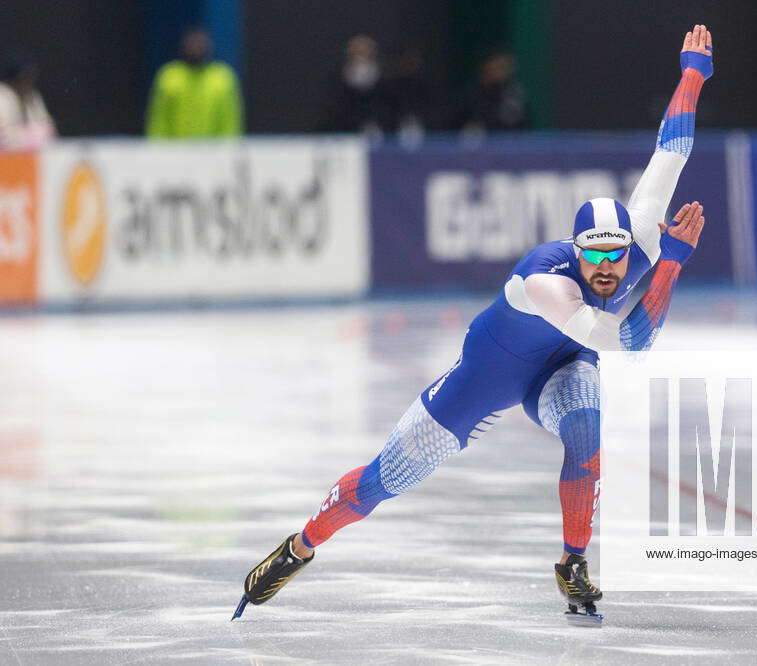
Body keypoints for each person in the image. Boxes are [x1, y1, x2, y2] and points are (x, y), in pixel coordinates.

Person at [233, 24, 714, 621]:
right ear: (576, 249)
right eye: (594, 255)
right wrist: (672, 265)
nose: (609, 268)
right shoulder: (547, 283)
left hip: (563, 364)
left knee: (586, 437)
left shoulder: (641, 233)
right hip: (488, 374)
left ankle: (572, 563)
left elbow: (672, 148)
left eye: (617, 255)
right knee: (386, 479)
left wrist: (692, 74)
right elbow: (631, 342)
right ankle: (300, 546)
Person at [145, 27, 244, 138]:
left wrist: (229, 146)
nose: (196, 48)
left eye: (200, 44)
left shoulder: (222, 77)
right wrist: (157, 146)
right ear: (184, 46)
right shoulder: (170, 76)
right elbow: (159, 119)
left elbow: (230, 119)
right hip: (175, 147)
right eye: (192, 44)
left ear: (209, 46)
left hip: (214, 147)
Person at [319, 35, 392, 136]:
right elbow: (334, 104)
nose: (361, 55)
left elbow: (388, 102)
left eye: (364, 51)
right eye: (357, 51)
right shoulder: (338, 76)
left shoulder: (385, 76)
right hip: (346, 128)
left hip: (380, 127)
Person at [0, 50, 56, 151]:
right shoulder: (3, 94)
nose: (28, 81)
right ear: (13, 78)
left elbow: (48, 127)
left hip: (32, 153)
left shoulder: (32, 95)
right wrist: (28, 136)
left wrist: (35, 134)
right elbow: (5, 136)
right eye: (23, 77)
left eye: (30, 76)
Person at [460, 51, 528, 133]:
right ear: (486, 67)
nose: (503, 71)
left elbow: (520, 124)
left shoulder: (512, 92)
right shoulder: (471, 94)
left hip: (508, 138)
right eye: (499, 66)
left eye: (506, 67)